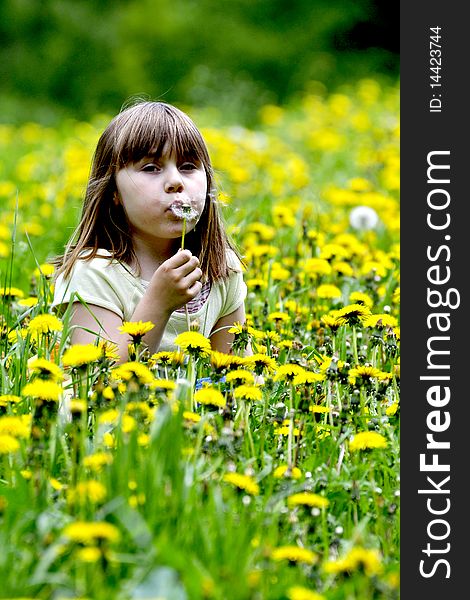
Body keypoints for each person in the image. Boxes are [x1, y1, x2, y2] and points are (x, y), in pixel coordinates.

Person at [52, 100, 248, 363]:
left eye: (188, 166)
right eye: (151, 168)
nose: (176, 182)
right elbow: (101, 379)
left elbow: (237, 371)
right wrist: (158, 302)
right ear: (114, 193)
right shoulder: (94, 273)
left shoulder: (221, 268)